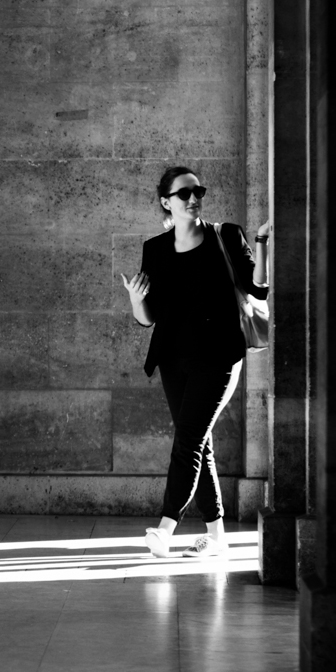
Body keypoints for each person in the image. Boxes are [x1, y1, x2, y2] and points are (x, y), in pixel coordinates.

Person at [119, 167, 271, 558]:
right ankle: (217, 534)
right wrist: (136, 300)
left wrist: (262, 243)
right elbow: (149, 317)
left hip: (219, 356)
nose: (193, 198)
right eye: (183, 193)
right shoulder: (154, 249)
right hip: (173, 359)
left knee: (187, 440)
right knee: (198, 444)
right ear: (166, 202)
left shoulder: (227, 235)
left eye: (197, 191)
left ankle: (166, 527)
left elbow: (258, 288)